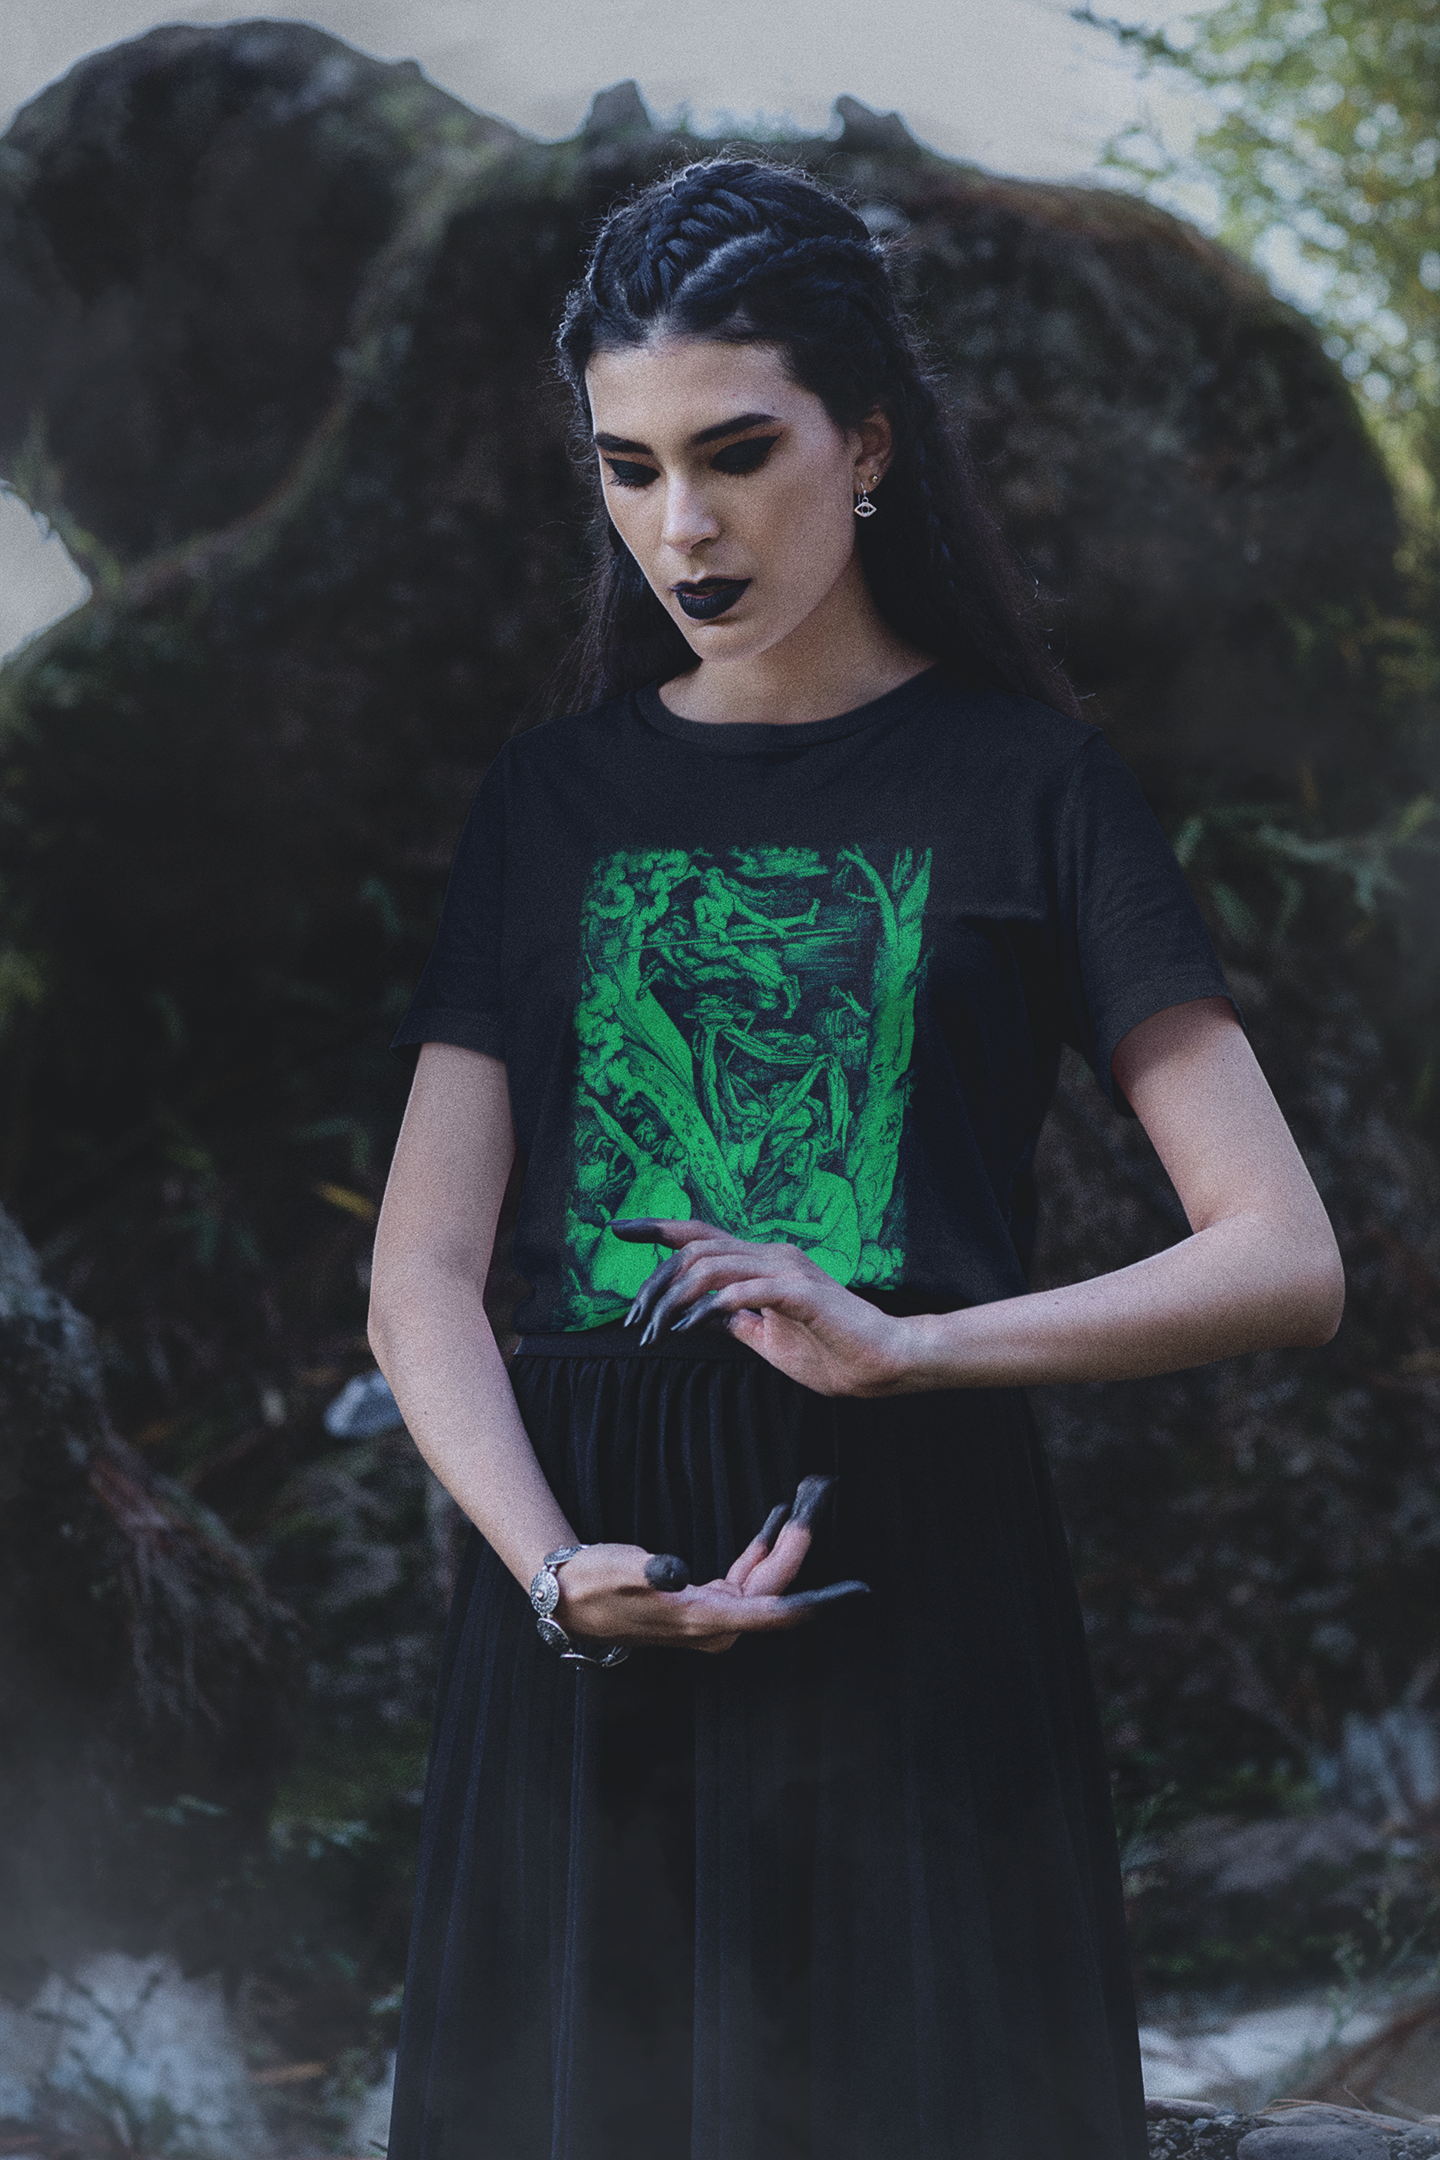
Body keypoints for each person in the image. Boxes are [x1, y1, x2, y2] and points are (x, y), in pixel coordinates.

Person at [368, 157, 1344, 2160]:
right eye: (629, 469)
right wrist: (552, 1572)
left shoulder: (1033, 785)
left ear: (870, 442)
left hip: (908, 1586)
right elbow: (420, 1276)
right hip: (591, 1614)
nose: (684, 525)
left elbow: (1280, 1252)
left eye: (738, 453)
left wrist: (913, 1348)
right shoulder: (548, 801)